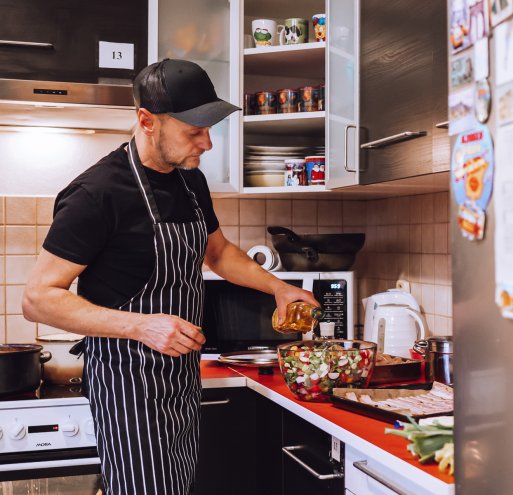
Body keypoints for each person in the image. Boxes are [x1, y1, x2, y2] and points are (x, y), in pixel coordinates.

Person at [22, 59, 318, 494]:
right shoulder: (96, 194)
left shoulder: (190, 182)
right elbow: (37, 298)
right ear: (147, 121)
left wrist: (277, 286)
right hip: (128, 382)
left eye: (209, 128)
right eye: (194, 130)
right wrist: (142, 325)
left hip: (181, 375)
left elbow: (216, 253)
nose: (208, 143)